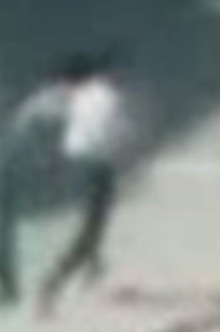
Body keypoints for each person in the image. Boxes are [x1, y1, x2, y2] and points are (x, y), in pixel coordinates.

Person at [8, 48, 134, 317]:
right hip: (97, 168)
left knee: (95, 221)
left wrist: (22, 125)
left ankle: (92, 265)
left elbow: (39, 106)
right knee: (90, 230)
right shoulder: (105, 96)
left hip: (77, 164)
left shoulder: (71, 96)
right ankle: (52, 284)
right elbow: (122, 133)